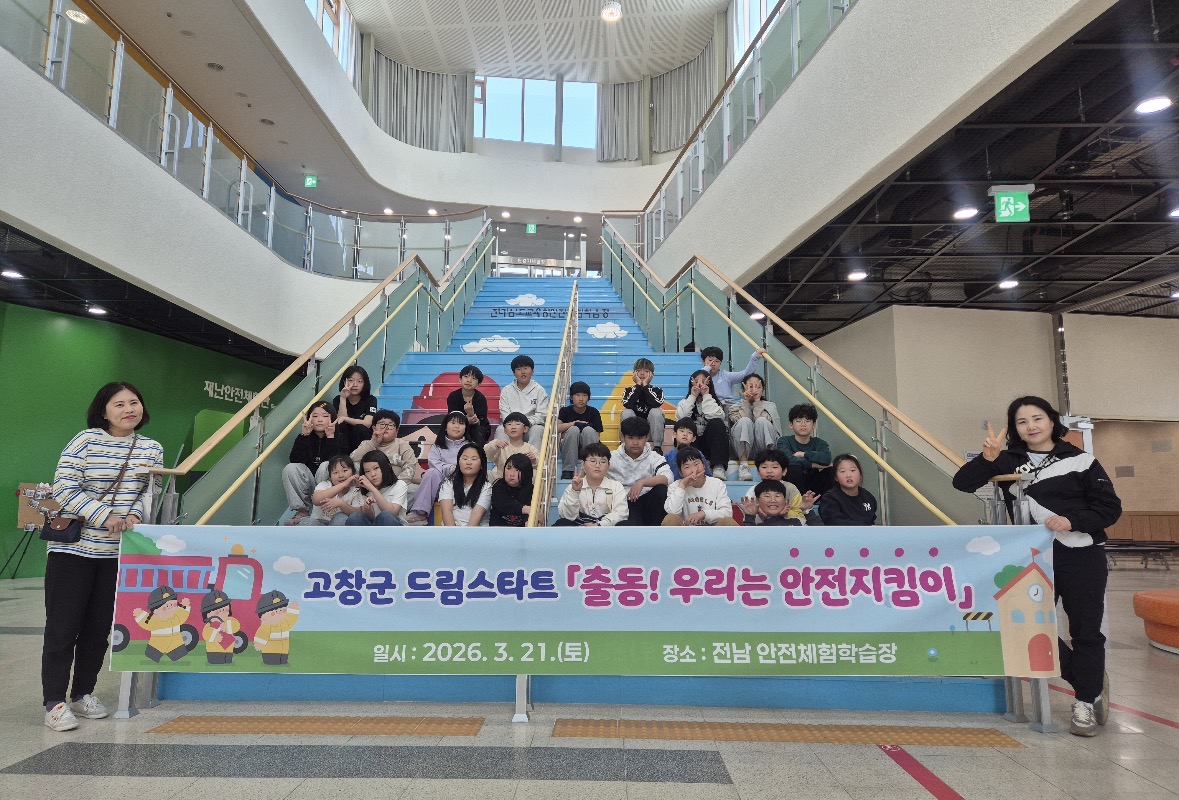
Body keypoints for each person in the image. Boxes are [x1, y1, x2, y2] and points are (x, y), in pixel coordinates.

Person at [952, 396, 1121, 738]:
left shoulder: (1081, 460)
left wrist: (1072, 519)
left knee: (1086, 629)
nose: (1031, 426)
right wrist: (987, 460)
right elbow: (962, 483)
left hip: (1080, 553)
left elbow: (1109, 508)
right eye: (1022, 421)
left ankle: (1084, 702)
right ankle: (1087, 679)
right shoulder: (1007, 460)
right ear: (1015, 429)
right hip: (1030, 557)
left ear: (1052, 421)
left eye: (1037, 418)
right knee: (1027, 625)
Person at [44, 381, 164, 732]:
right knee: (63, 629)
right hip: (73, 550)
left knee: (98, 630)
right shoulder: (85, 440)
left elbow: (151, 491)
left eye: (134, 402)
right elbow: (64, 488)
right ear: (103, 410)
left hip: (117, 553)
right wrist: (103, 515)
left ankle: (82, 694)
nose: (129, 409)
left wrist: (136, 516)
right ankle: (54, 702)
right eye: (119, 404)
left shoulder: (152, 448)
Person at [282, 401, 346, 525]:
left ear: (333, 418)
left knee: (326, 465)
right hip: (309, 485)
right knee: (290, 468)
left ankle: (322, 511)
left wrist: (330, 438)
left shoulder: (341, 437)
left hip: (328, 488)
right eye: (315, 416)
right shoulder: (303, 437)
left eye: (325, 416)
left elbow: (338, 466)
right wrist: (304, 435)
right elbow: (295, 460)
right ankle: (302, 511)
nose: (320, 420)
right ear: (309, 418)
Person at [406, 411, 471, 525]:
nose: (456, 426)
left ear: (465, 428)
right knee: (432, 472)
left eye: (461, 423)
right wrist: (451, 468)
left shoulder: (470, 446)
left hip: (462, 484)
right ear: (445, 427)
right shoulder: (437, 446)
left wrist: (458, 471)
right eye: (453, 423)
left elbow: (471, 466)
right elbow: (434, 464)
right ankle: (419, 514)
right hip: (440, 486)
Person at [607, 416, 672, 526]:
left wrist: (642, 482)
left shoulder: (654, 457)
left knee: (661, 489)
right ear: (622, 437)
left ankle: (657, 530)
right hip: (623, 503)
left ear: (647, 437)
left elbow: (668, 477)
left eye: (640, 438)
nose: (635, 442)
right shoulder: (611, 458)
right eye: (631, 438)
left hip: (648, 502)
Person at [555, 443, 628, 527]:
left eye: (603, 462)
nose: (597, 465)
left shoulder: (616, 486)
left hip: (606, 529)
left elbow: (621, 513)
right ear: (583, 464)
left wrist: (600, 524)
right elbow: (567, 516)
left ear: (608, 465)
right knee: (562, 523)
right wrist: (575, 492)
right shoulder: (573, 487)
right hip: (579, 529)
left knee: (625, 524)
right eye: (593, 461)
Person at [675, 369, 731, 479]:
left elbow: (718, 417)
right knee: (685, 423)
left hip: (710, 445)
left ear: (709, 383)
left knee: (717, 422)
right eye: (696, 381)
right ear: (691, 384)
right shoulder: (684, 402)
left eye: (704, 381)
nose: (700, 384)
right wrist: (692, 396)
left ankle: (718, 467)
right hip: (691, 444)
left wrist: (706, 396)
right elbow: (681, 420)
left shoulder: (715, 402)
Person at [662, 447, 738, 526]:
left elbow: (727, 512)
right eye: (687, 467)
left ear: (704, 465)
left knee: (728, 521)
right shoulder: (675, 486)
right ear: (680, 472)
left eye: (696, 464)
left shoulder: (717, 484)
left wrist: (704, 514)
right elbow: (672, 512)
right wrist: (682, 486)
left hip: (712, 530)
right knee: (670, 518)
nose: (694, 470)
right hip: (685, 530)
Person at [727, 373, 782, 481]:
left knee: (762, 421)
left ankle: (767, 463)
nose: (754, 390)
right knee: (744, 420)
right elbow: (738, 423)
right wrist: (746, 402)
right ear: (743, 388)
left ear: (762, 390)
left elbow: (767, 425)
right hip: (740, 450)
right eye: (750, 386)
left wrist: (757, 402)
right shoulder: (734, 407)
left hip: (763, 447)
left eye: (758, 387)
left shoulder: (770, 406)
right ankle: (743, 465)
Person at [350, 410, 418, 485]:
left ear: (397, 430)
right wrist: (373, 442)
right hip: (370, 486)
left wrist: (397, 487)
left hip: (396, 485)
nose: (386, 428)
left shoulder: (402, 445)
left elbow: (410, 467)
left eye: (390, 425)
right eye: (382, 424)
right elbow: (353, 460)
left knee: (415, 489)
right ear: (374, 428)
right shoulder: (366, 444)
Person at [776, 403, 832, 495]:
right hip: (793, 484)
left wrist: (803, 454)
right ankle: (798, 501)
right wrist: (813, 465)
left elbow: (826, 459)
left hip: (813, 483)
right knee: (794, 469)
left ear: (814, 425)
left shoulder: (819, 443)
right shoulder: (784, 441)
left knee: (832, 471)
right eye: (798, 421)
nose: (803, 424)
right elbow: (788, 460)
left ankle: (828, 501)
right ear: (791, 425)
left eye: (807, 421)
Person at [742, 450, 811, 524]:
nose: (769, 471)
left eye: (774, 467)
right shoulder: (753, 490)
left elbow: (800, 516)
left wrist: (781, 514)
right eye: (764, 467)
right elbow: (748, 514)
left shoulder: (791, 489)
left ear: (784, 471)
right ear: (758, 472)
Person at [496, 354, 547, 448]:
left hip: (530, 426)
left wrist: (525, 424)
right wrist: (515, 425)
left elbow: (542, 414)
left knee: (538, 429)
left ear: (532, 371)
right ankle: (504, 457)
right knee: (500, 430)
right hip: (512, 426)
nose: (523, 372)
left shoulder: (539, 390)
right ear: (514, 373)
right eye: (519, 369)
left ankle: (534, 457)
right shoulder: (506, 390)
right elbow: (505, 413)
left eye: (526, 368)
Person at [345, 451, 406, 526]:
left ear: (388, 466)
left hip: (395, 530)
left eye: (376, 468)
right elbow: (367, 520)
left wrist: (373, 489)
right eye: (367, 471)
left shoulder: (399, 485)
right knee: (355, 517)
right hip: (371, 529)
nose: (373, 474)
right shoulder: (362, 490)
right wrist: (367, 508)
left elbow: (392, 513)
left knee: (385, 516)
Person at [558, 381, 604, 479]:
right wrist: (574, 423)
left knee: (588, 430)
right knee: (574, 430)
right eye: (577, 395)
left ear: (588, 398)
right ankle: (568, 470)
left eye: (584, 395)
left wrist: (584, 429)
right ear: (571, 397)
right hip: (569, 449)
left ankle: (591, 468)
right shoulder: (565, 411)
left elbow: (597, 435)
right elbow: (557, 428)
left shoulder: (594, 412)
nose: (581, 399)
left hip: (588, 446)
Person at [438, 443, 492, 527]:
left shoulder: (486, 487)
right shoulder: (448, 483)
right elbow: (447, 512)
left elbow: (476, 516)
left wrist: (464, 535)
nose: (468, 462)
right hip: (450, 530)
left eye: (474, 459)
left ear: (482, 464)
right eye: (465, 458)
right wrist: (451, 533)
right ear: (458, 462)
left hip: (476, 531)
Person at [621, 358, 668, 451]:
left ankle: (657, 448)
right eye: (639, 371)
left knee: (656, 411)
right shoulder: (628, 391)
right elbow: (628, 404)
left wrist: (645, 386)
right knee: (627, 412)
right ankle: (626, 445)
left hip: (650, 432)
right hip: (633, 432)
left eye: (646, 371)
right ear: (634, 373)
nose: (642, 374)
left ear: (652, 375)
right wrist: (638, 385)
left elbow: (655, 403)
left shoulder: (657, 390)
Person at [819, 454, 877, 526]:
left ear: (860, 474)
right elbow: (836, 523)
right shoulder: (829, 499)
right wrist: (866, 527)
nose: (848, 475)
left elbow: (871, 521)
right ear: (836, 477)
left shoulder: (868, 496)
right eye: (843, 471)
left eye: (853, 470)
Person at [332, 365, 377, 455]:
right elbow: (340, 421)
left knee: (359, 428)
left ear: (364, 384)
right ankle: (343, 458)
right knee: (340, 427)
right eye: (351, 380)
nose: (355, 385)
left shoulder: (370, 400)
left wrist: (346, 419)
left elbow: (367, 423)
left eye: (360, 381)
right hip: (345, 440)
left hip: (363, 439)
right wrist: (343, 398)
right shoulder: (338, 399)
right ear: (344, 381)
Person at [700, 345, 766, 405]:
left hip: (726, 406)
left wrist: (755, 357)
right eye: (710, 360)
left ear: (720, 363)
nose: (713, 364)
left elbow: (745, 374)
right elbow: (700, 379)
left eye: (717, 361)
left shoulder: (726, 375)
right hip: (708, 405)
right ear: (703, 361)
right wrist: (707, 369)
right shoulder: (698, 375)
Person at [307, 456, 363, 526]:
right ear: (330, 476)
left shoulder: (356, 490)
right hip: (319, 524)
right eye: (335, 472)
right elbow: (316, 500)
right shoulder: (325, 485)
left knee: (340, 518)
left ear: (353, 472)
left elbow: (358, 513)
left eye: (345, 470)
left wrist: (341, 503)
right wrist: (344, 484)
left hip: (339, 527)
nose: (341, 475)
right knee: (309, 521)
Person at [485, 412, 540, 477]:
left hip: (523, 480)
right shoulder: (501, 446)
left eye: (517, 424)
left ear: (525, 429)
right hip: (501, 479)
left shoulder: (531, 448)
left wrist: (534, 461)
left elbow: (540, 465)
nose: (513, 427)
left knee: (535, 473)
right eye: (509, 424)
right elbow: (487, 454)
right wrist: (495, 444)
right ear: (505, 430)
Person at [448, 365, 491, 445]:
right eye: (466, 377)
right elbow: (452, 417)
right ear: (460, 379)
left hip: (477, 429)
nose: (469, 380)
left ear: (479, 383)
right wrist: (466, 420)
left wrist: (471, 414)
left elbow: (482, 421)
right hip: (458, 426)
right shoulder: (453, 396)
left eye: (473, 378)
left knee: (477, 430)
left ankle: (478, 452)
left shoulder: (480, 398)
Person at [490, 453, 534, 527]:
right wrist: (525, 509)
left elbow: (529, 516)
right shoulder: (498, 485)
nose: (511, 474)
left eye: (517, 470)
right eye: (508, 468)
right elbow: (503, 504)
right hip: (498, 530)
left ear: (526, 472)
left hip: (521, 532)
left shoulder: (531, 489)